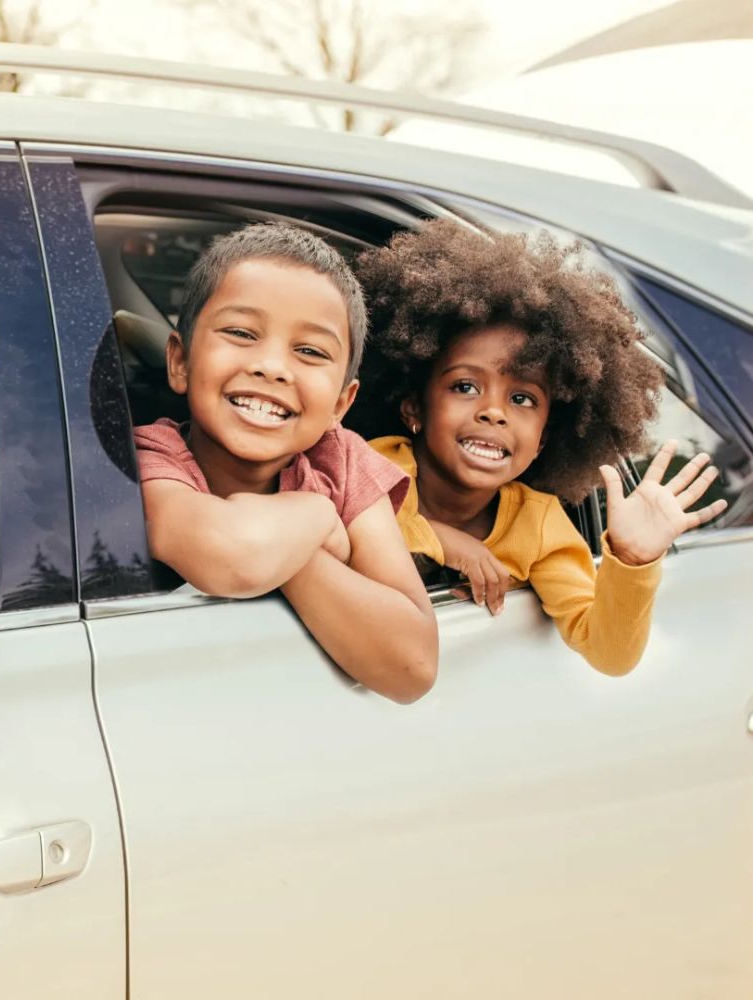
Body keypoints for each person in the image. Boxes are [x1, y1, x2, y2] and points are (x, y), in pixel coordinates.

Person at [352, 219, 726, 676]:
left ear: (543, 440)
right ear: (415, 409)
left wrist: (631, 559)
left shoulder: (540, 525)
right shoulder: (372, 462)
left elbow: (608, 653)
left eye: (522, 398)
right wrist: (445, 542)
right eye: (466, 386)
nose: (494, 412)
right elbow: (334, 518)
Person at [133, 223, 438, 704]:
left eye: (310, 351)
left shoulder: (340, 459)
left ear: (341, 403)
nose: (273, 366)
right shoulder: (150, 457)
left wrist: (293, 552)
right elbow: (231, 555)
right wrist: (318, 518)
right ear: (180, 362)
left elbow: (413, 667)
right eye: (240, 332)